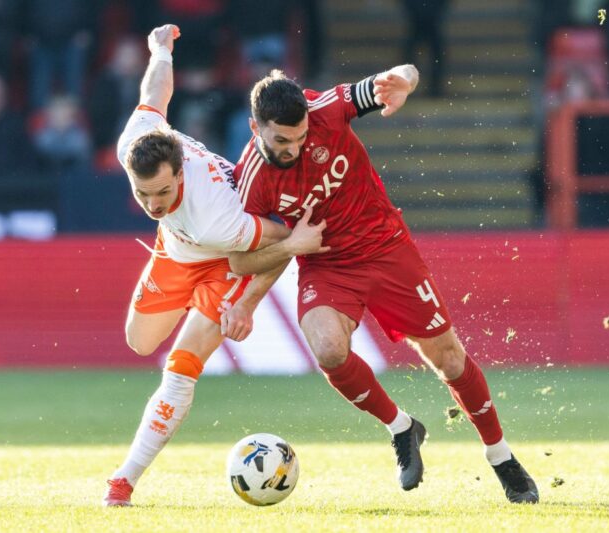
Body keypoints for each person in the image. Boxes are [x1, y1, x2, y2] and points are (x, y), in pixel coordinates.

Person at [221, 68, 539, 503]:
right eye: (282, 142)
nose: (293, 149)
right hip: (327, 265)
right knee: (329, 350)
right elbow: (244, 259)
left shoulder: (327, 109)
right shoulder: (251, 181)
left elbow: (396, 76)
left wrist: (406, 81)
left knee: (448, 359)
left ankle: (500, 456)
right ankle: (402, 428)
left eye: (300, 138)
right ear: (256, 126)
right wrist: (253, 296)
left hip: (387, 248)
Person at [103, 24, 327, 507]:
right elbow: (154, 92)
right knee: (139, 341)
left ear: (180, 171)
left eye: (163, 192)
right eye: (143, 195)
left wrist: (294, 247)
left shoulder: (218, 217)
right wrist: (160, 49)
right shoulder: (137, 142)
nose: (153, 203)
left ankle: (123, 480)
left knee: (180, 370)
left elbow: (270, 241)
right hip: (177, 249)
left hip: (226, 260)